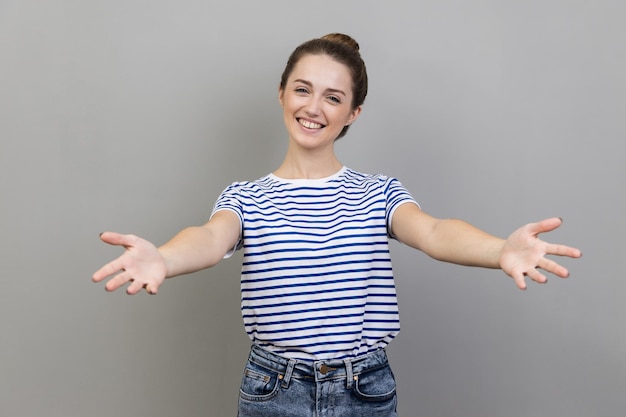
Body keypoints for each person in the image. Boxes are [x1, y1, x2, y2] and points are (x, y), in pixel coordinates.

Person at [92, 33, 582, 417]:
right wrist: (165, 258)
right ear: (281, 93)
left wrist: (501, 250)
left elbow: (433, 232)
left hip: (363, 391)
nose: (313, 107)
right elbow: (208, 237)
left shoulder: (378, 193)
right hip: (273, 390)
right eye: (302, 89)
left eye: (333, 97)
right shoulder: (247, 197)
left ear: (352, 113)